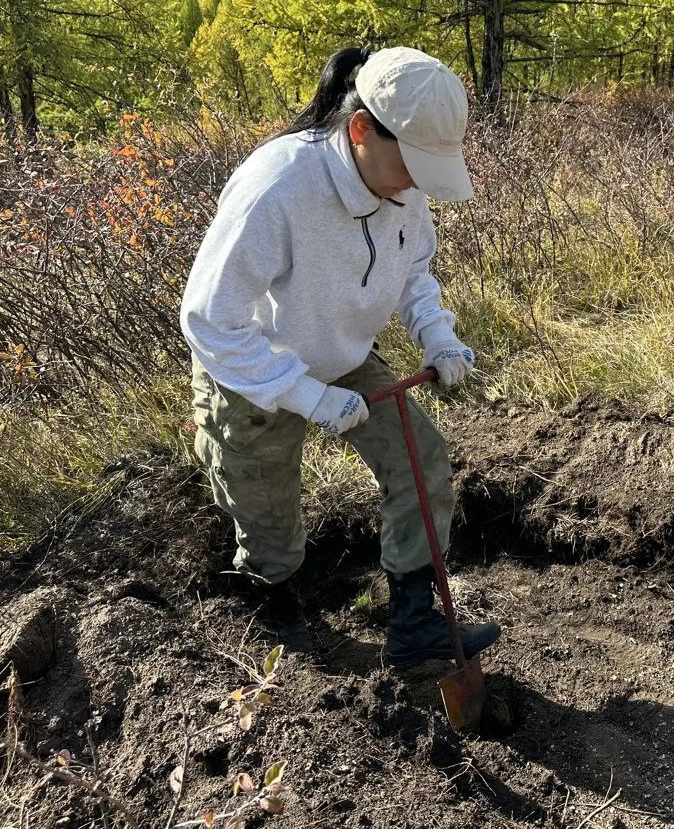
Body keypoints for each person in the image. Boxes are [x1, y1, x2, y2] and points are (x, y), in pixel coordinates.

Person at [179, 45, 501, 666]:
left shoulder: (400, 182)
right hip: (252, 370)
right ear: (360, 130)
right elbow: (210, 320)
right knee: (270, 525)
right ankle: (282, 628)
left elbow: (413, 268)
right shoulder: (278, 188)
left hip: (345, 357)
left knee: (422, 464)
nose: (417, 183)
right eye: (411, 164)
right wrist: (306, 395)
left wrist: (436, 333)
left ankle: (414, 627)